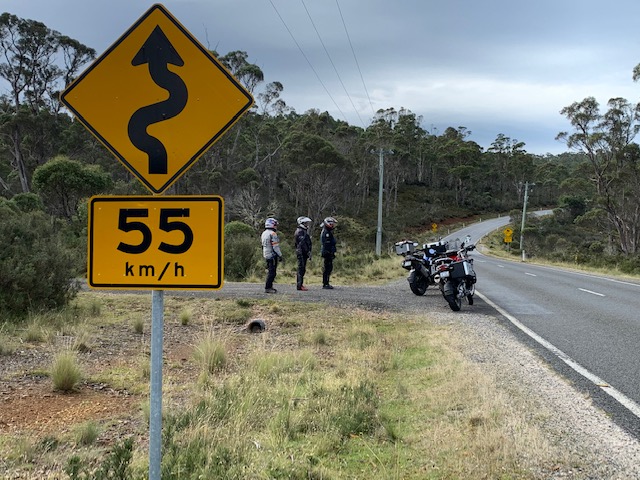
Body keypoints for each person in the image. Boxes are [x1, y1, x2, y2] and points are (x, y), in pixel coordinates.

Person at [261, 217, 282, 293]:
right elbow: (275, 246)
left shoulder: (264, 233)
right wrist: (280, 255)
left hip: (266, 253)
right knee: (272, 272)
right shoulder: (273, 233)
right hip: (272, 255)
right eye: (275, 225)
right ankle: (268, 287)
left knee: (270, 271)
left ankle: (269, 286)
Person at [294, 216, 312, 291]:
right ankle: (299, 285)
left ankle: (300, 284)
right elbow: (302, 244)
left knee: (302, 268)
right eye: (306, 223)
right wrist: (307, 252)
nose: (307, 224)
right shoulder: (300, 231)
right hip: (301, 253)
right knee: (301, 268)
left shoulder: (302, 231)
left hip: (303, 252)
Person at [320, 216, 337, 289]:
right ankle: (325, 283)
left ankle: (327, 282)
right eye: (331, 223)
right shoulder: (326, 232)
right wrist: (329, 252)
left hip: (329, 252)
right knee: (327, 268)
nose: (333, 225)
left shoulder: (328, 231)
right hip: (327, 252)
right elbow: (326, 244)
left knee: (329, 268)